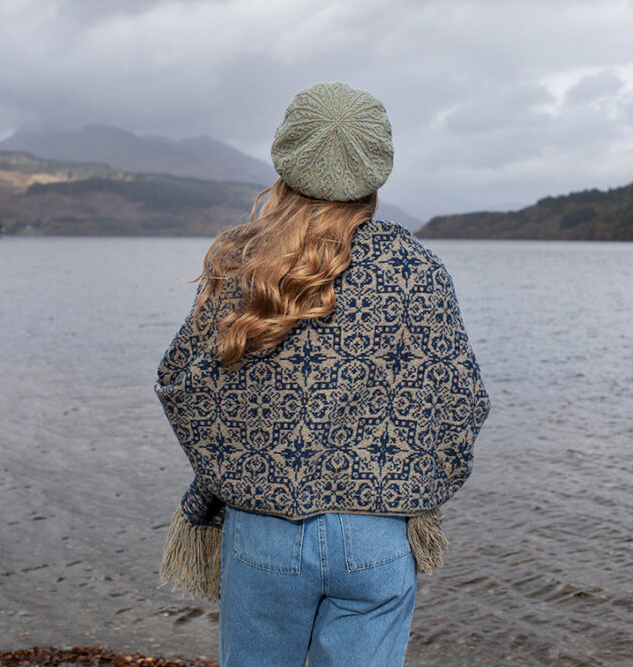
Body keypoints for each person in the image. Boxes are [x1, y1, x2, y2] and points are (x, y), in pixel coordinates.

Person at [155, 81, 490, 666]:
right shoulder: (417, 268)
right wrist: (413, 485)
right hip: (377, 536)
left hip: (263, 531)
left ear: (287, 160)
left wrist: (240, 469)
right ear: (376, 170)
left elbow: (183, 387)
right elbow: (461, 402)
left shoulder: (242, 260)